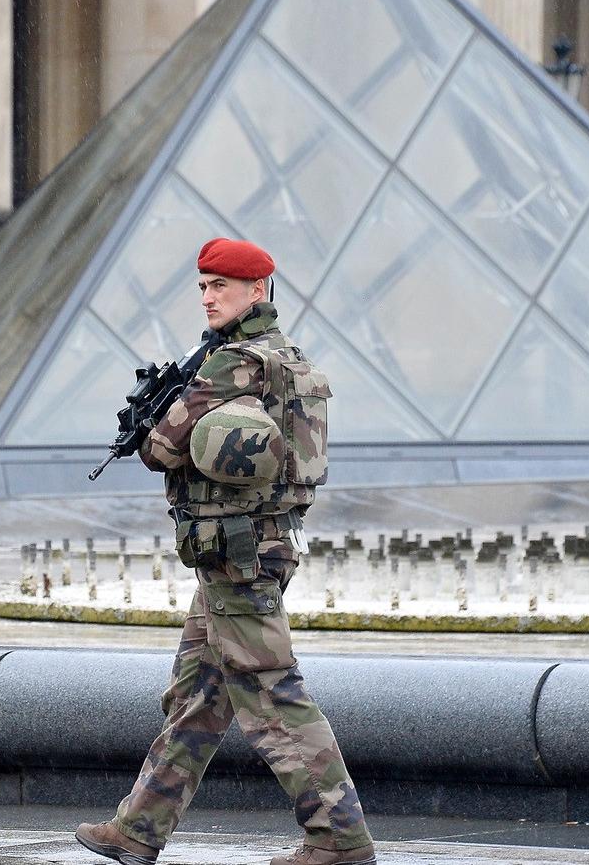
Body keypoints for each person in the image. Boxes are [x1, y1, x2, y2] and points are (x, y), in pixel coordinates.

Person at [75, 238, 376, 865]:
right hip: (253, 546)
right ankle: (138, 830)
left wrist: (164, 420)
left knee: (270, 692)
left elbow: (160, 446)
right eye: (205, 287)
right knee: (197, 694)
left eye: (222, 287)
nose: (209, 297)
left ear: (257, 291)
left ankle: (338, 836)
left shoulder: (232, 364)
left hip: (237, 553)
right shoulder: (290, 360)